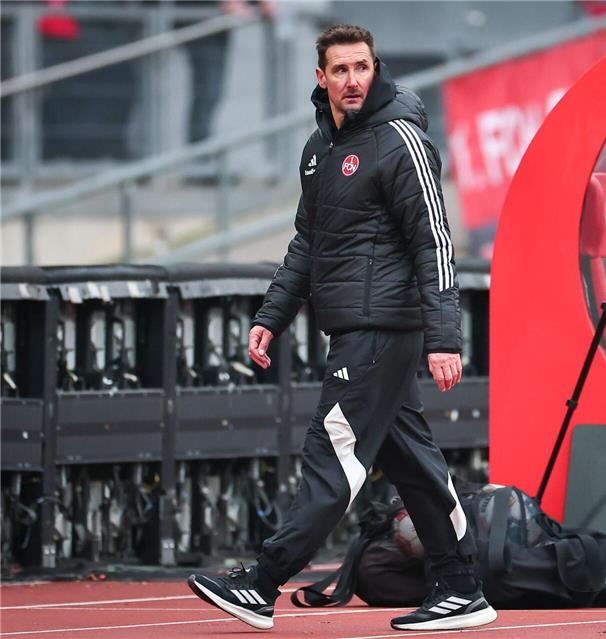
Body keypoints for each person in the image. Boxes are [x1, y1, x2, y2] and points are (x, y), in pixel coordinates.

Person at [186, 24, 496, 633]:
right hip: (356, 327)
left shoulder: (400, 139)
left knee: (333, 452)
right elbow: (309, 242)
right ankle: (461, 587)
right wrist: (272, 316)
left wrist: (443, 337)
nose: (353, 80)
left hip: (381, 329)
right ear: (320, 77)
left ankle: (262, 581)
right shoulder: (318, 149)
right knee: (413, 464)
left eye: (362, 67)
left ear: (375, 68)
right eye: (341, 70)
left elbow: (434, 240)